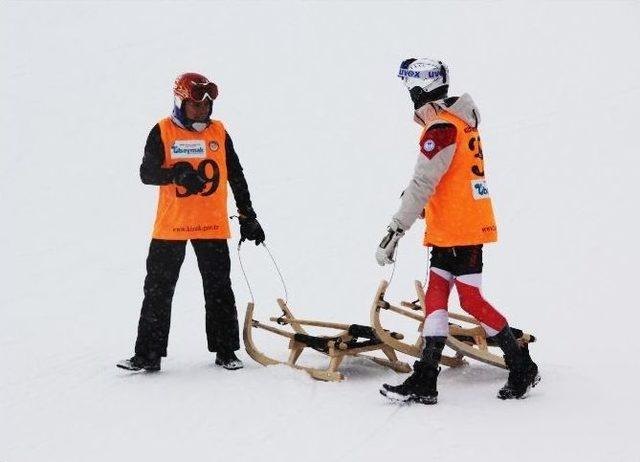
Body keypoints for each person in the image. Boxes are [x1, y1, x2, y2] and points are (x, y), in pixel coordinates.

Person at [376, 59, 539, 404]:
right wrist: (416, 204)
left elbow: (423, 181)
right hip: (457, 226)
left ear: (420, 89)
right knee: (436, 297)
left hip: (458, 229)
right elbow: (445, 179)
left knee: (469, 300)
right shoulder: (460, 124)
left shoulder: (441, 129)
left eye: (410, 89)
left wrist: (396, 228)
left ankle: (521, 364)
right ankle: (426, 378)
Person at [117, 72, 265, 372]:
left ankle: (226, 351)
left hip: (210, 224)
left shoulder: (219, 133)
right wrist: (176, 174)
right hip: (171, 226)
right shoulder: (163, 130)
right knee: (158, 290)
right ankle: (148, 354)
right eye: (196, 106)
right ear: (181, 102)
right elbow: (147, 173)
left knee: (219, 288)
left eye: (207, 106)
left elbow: (235, 175)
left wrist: (248, 215)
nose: (203, 112)